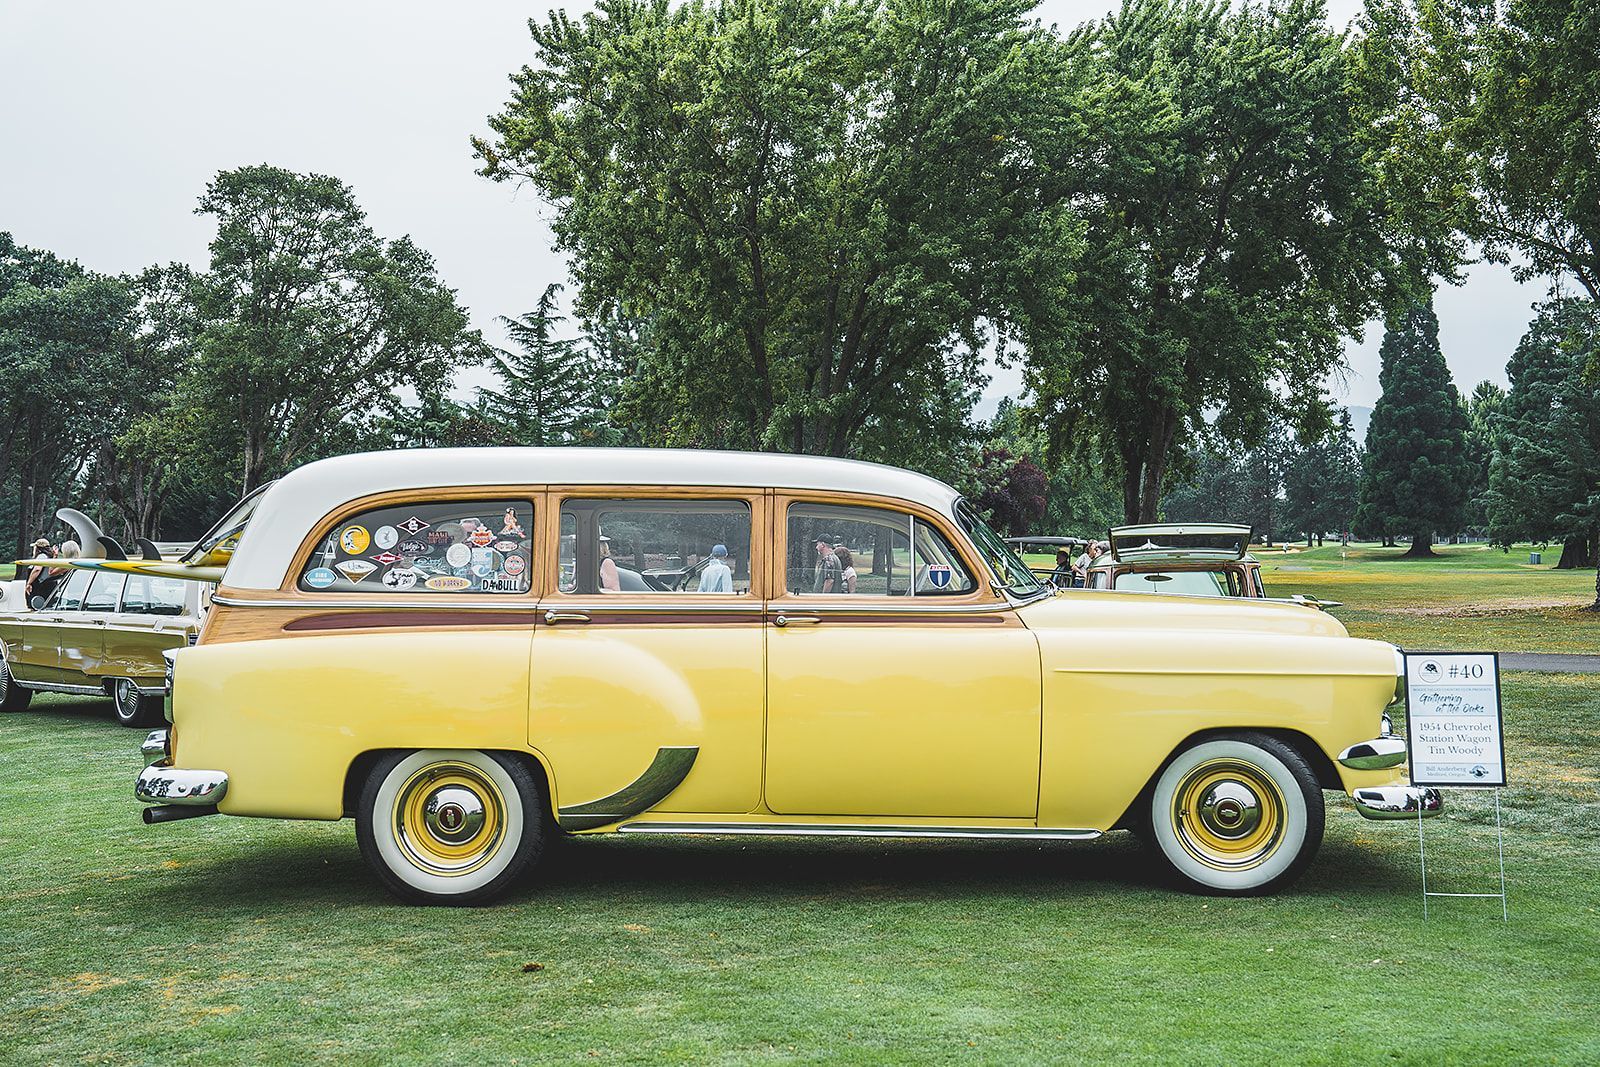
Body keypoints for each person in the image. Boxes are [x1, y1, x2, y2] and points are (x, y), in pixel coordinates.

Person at [24, 538, 62, 605]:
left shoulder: (42, 556)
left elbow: (37, 569)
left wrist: (29, 583)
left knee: (35, 605)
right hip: (49, 584)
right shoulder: (51, 556)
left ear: (38, 548)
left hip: (40, 586)